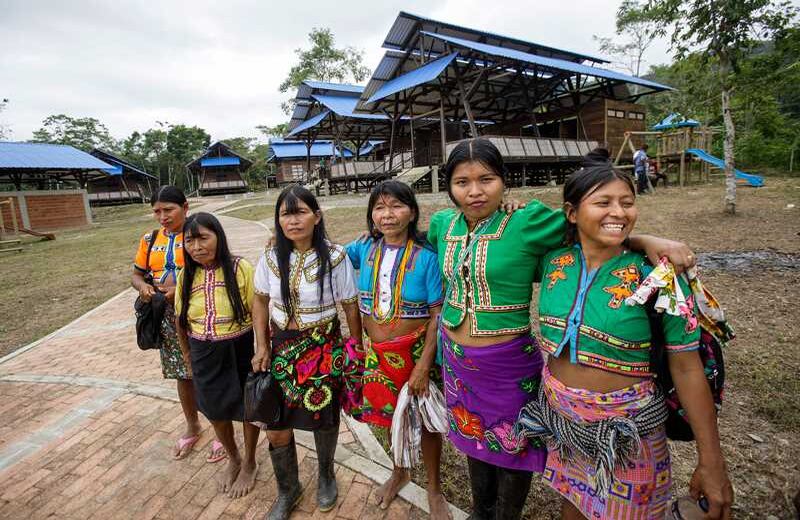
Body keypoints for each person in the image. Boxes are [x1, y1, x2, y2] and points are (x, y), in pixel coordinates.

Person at [426, 138, 696, 520]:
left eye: (486, 179)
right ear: (448, 186)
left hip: (506, 363)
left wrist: (646, 240)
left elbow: (593, 228)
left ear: (504, 181)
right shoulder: (441, 225)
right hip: (457, 359)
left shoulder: (528, 220)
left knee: (514, 443)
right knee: (473, 437)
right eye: (461, 182)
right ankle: (480, 512)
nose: (474, 191)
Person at [516, 163, 733, 519]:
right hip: (564, 427)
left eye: (627, 202)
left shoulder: (661, 278)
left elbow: (686, 367)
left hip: (629, 436)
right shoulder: (553, 261)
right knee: (572, 507)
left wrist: (712, 463)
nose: (618, 212)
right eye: (603, 202)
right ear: (571, 212)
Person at [251, 185, 362, 520]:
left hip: (324, 346)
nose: (293, 220)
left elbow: (350, 306)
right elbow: (259, 300)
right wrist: (261, 345)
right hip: (281, 346)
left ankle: (326, 476)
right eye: (286, 213)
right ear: (278, 221)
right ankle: (288, 490)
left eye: (300, 212)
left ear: (317, 216)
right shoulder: (270, 258)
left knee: (323, 418)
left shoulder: (337, 257)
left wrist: (355, 350)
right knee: (276, 421)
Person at [344, 180, 449, 519]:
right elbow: (327, 253)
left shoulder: (427, 258)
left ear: (412, 212)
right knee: (390, 418)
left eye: (396, 206)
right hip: (378, 355)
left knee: (428, 421)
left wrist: (422, 367)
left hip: (417, 355)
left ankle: (433, 488)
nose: (387, 215)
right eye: (379, 207)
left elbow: (437, 316)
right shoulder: (364, 250)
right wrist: (281, 242)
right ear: (371, 215)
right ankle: (400, 471)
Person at [130, 186, 225, 463]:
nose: (162, 216)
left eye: (168, 210)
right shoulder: (150, 239)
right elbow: (136, 274)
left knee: (209, 372)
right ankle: (193, 425)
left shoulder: (199, 235)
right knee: (181, 374)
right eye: (157, 211)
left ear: (185, 207)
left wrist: (180, 291)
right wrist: (143, 287)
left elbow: (215, 268)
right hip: (166, 318)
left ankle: (222, 429)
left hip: (199, 313)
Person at [174, 212, 260, 498]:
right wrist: (187, 353)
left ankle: (249, 462)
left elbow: (258, 312)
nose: (197, 247)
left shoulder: (240, 267)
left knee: (248, 407)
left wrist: (263, 349)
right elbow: (180, 319)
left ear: (218, 237)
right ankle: (233, 456)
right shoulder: (187, 274)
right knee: (214, 410)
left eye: (203, 238)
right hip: (203, 350)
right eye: (190, 240)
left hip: (240, 347)